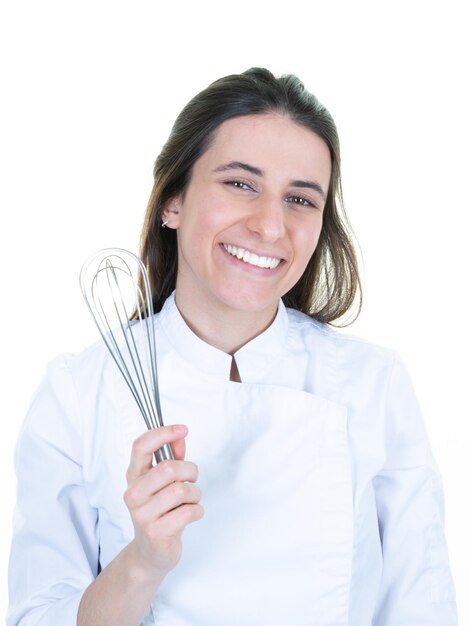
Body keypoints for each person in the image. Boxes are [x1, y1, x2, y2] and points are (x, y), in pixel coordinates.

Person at [8, 68, 457, 625]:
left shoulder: (372, 382)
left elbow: (422, 606)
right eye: (241, 183)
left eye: (300, 198)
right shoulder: (78, 394)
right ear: (173, 201)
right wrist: (145, 561)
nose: (271, 226)